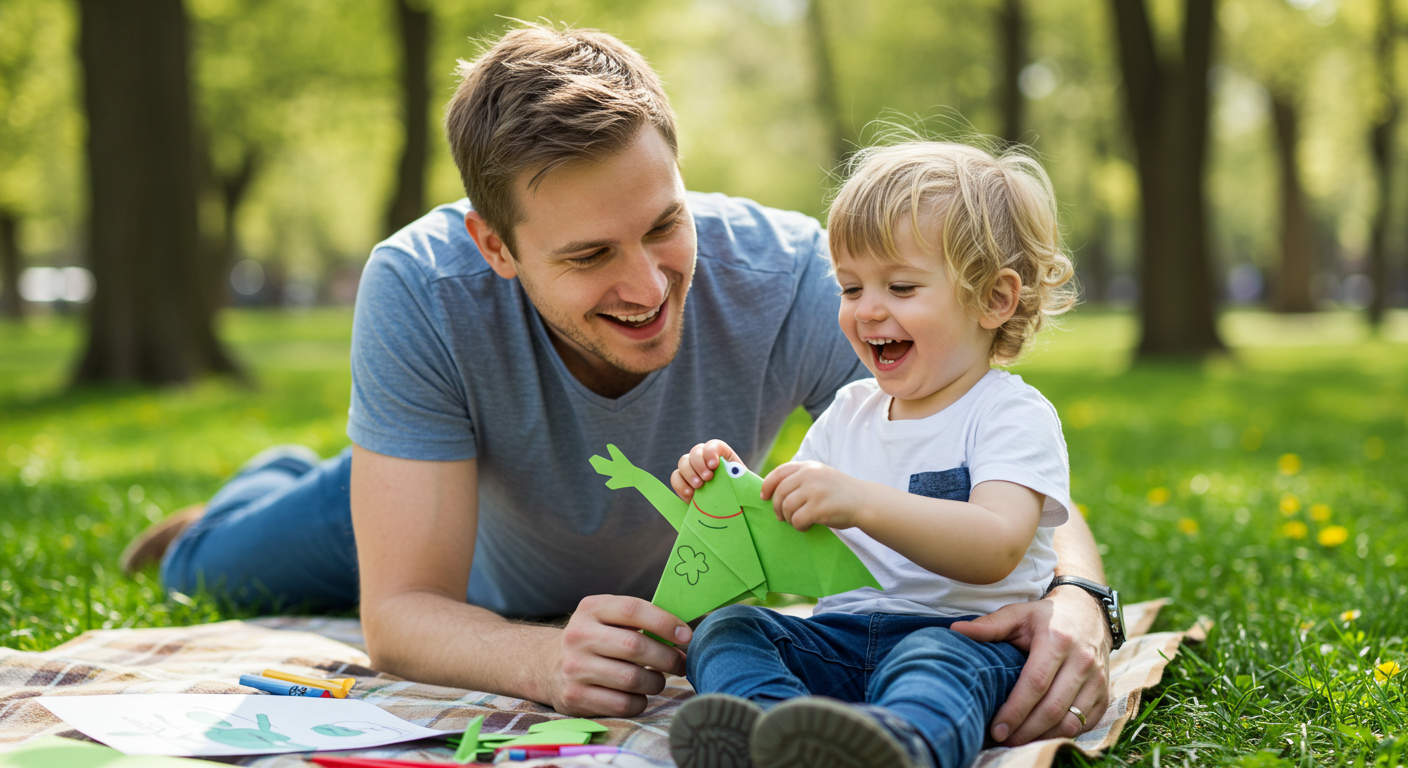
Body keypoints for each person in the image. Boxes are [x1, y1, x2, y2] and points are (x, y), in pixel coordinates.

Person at [122, 23, 1115, 745]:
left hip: (643, 580)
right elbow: (402, 610)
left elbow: (986, 458)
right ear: (495, 245)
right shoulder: (422, 287)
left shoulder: (801, 279)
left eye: (662, 226)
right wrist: (539, 658)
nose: (646, 287)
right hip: (445, 516)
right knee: (207, 571)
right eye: (591, 254)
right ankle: (260, 491)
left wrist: (1076, 598)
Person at [665, 140, 1086, 768]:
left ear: (994, 300)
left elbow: (996, 544)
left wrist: (861, 501)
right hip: (840, 636)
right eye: (851, 287)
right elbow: (791, 527)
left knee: (933, 667)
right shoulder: (850, 410)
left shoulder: (1010, 414)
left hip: (961, 637)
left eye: (902, 286)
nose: (868, 310)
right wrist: (731, 490)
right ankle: (772, 731)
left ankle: (898, 749)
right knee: (727, 630)